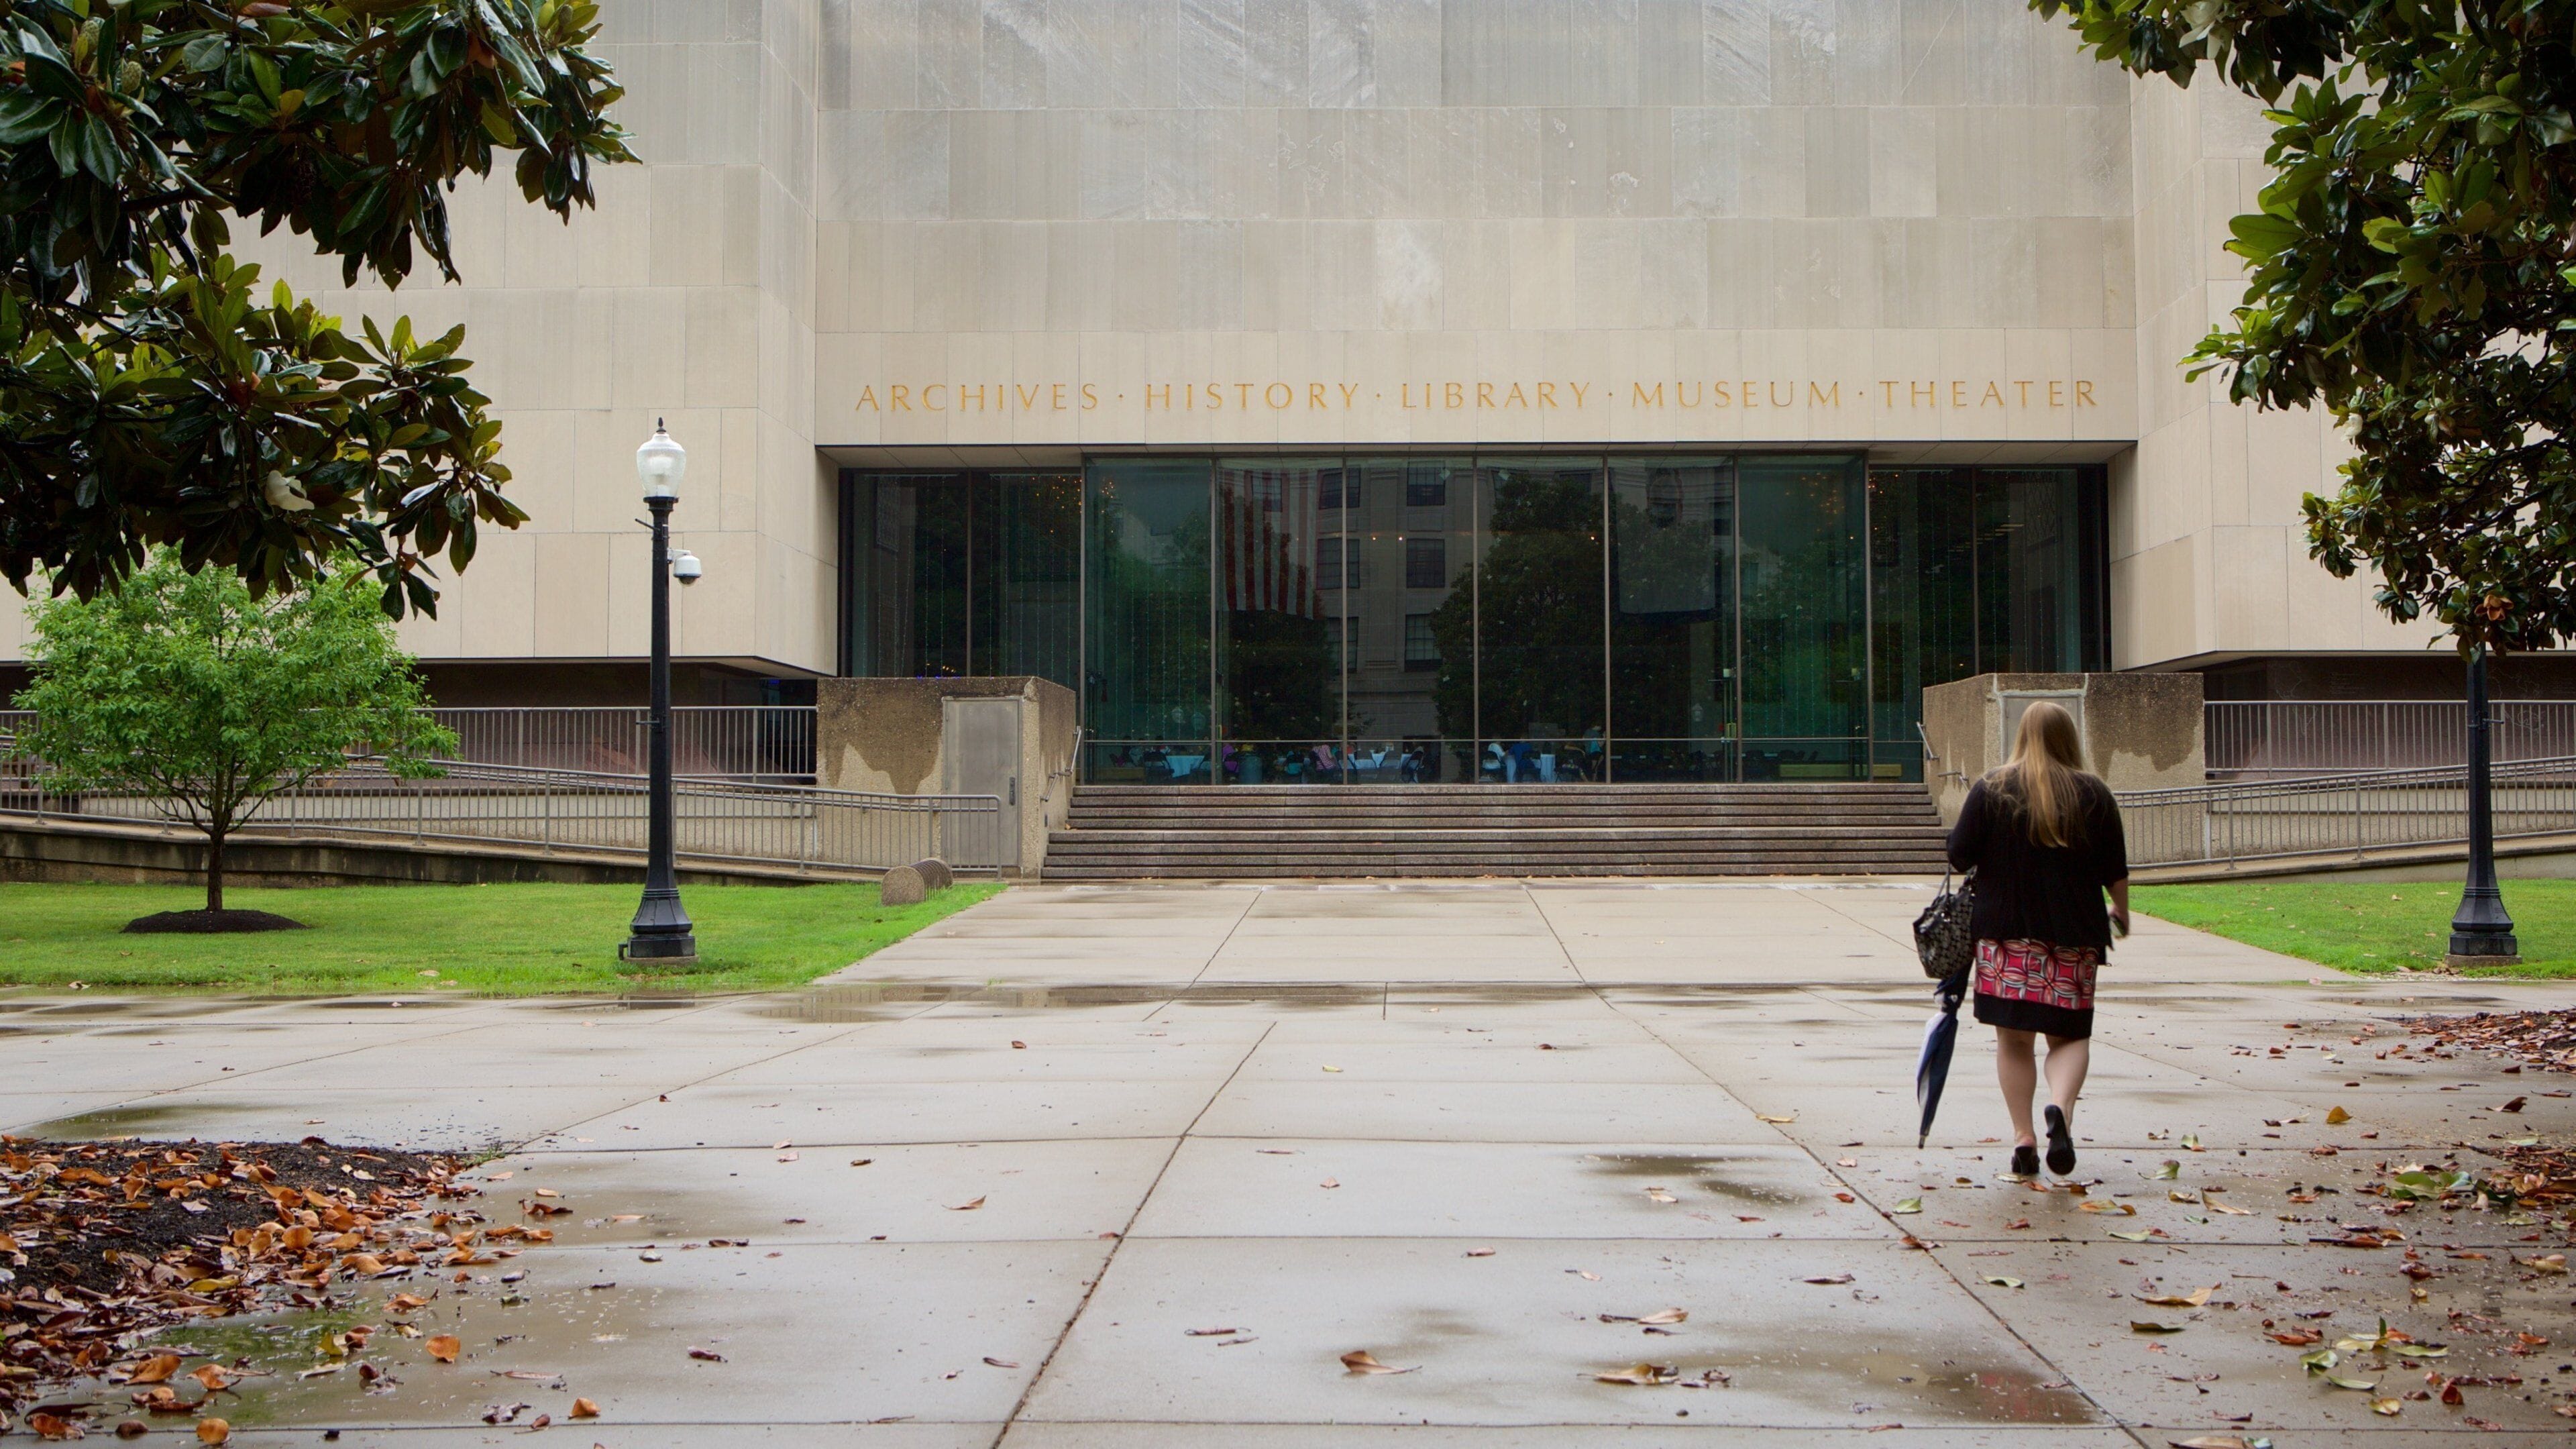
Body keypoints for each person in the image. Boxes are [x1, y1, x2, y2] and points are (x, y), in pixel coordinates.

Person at [1945, 701, 2129, 1179]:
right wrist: (2121, 914)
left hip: (2005, 938)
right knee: (2069, 1035)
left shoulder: (1992, 788)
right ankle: (2061, 1113)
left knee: (2014, 1041)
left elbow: (1958, 856)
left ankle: (2024, 1137)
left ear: (2021, 735)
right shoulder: (2094, 793)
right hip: (2074, 935)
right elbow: (2115, 870)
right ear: (2070, 738)